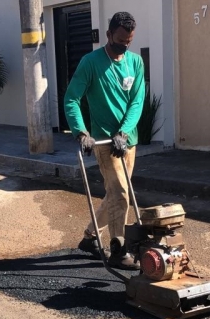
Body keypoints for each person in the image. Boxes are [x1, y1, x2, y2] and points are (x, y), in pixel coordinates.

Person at [64, 11, 145, 271]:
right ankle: (118, 250)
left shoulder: (135, 63)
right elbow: (72, 99)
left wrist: (124, 132)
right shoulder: (91, 63)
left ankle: (89, 237)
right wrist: (81, 132)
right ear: (108, 35)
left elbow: (137, 101)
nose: (124, 45)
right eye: (120, 40)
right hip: (105, 144)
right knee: (121, 194)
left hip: (127, 141)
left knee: (114, 194)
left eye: (129, 41)